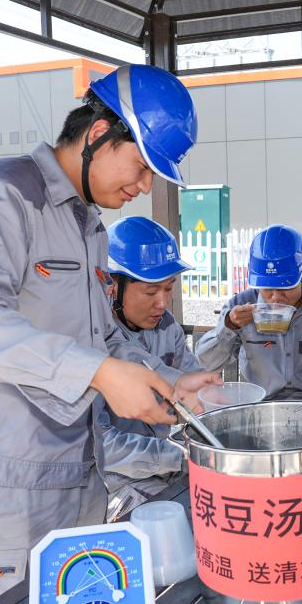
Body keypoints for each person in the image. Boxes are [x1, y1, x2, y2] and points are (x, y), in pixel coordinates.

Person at [0, 65, 216, 604]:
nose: (144, 186)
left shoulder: (88, 226)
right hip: (4, 481)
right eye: (142, 166)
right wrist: (99, 373)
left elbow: (103, 338)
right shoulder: (4, 193)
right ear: (99, 134)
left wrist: (172, 382)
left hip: (79, 471)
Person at [100, 216, 218, 520]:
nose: (162, 303)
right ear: (113, 285)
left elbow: (191, 387)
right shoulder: (93, 339)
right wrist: (179, 456)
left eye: (169, 288)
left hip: (164, 470)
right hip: (112, 484)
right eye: (151, 292)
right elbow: (100, 445)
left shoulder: (167, 327)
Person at [196, 224, 302, 401]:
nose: (276, 297)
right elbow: (206, 363)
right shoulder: (240, 306)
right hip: (260, 405)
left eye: (285, 287)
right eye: (267, 288)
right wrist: (230, 326)